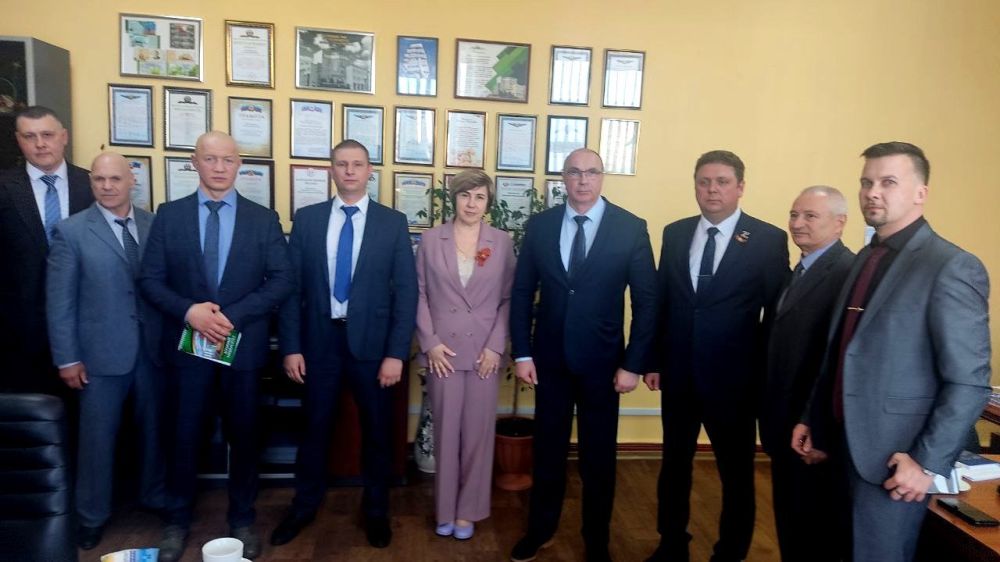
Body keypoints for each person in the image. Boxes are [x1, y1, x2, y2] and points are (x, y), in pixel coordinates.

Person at [792, 142, 991, 562]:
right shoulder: (866, 257)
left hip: (895, 462)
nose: (873, 193)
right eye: (866, 183)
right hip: (838, 450)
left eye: (888, 182)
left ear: (920, 192)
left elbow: (968, 381)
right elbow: (842, 351)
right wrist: (814, 418)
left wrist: (926, 463)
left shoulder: (950, 265)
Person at [138, 131, 293, 561]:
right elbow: (150, 279)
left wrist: (232, 316)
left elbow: (283, 279)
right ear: (194, 162)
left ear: (239, 163)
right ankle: (176, 521)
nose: (220, 167)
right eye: (210, 159)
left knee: (245, 437)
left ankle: (242, 519)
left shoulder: (263, 219)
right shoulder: (169, 216)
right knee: (184, 436)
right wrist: (190, 311)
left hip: (241, 350)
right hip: (188, 351)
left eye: (227, 159)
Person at [508, 148, 658, 562]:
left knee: (598, 458)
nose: (583, 180)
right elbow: (521, 292)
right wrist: (522, 352)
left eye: (591, 172)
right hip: (549, 362)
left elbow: (647, 302)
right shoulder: (541, 226)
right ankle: (540, 530)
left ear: (602, 176)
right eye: (574, 172)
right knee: (548, 452)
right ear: (563, 178)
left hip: (604, 366)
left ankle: (597, 540)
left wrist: (633, 363)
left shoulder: (630, 228)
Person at [270, 139, 418, 549]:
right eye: (342, 164)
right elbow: (292, 290)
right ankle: (303, 507)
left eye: (357, 164)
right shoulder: (309, 219)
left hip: (373, 346)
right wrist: (291, 347)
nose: (350, 171)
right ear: (331, 170)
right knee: (314, 429)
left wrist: (396, 354)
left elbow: (406, 292)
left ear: (370, 171)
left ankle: (376, 512)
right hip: (319, 343)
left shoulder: (392, 222)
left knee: (377, 434)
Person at [646, 150, 788, 562]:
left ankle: (731, 551)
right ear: (695, 186)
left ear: (740, 187)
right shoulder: (675, 233)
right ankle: (671, 543)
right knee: (674, 465)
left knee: (736, 472)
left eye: (722, 182)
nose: (712, 190)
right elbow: (663, 301)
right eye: (704, 181)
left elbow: (776, 315)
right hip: (679, 375)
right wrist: (654, 360)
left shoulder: (767, 239)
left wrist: (763, 375)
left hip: (735, 381)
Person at [45, 152, 165, 551]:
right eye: (99, 179)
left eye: (115, 179)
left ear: (132, 181)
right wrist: (67, 357)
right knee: (97, 440)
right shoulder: (71, 231)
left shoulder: (153, 224)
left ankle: (154, 496)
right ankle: (91, 515)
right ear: (91, 183)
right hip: (99, 356)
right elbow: (59, 301)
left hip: (153, 353)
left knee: (155, 432)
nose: (107, 186)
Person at [414, 170, 516, 540]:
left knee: (477, 435)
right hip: (443, 352)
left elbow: (509, 298)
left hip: (484, 354)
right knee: (446, 434)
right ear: (454, 198)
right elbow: (418, 293)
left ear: (488, 203)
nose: (472, 204)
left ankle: (468, 511)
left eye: (480, 197)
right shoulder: (430, 240)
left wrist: (495, 346)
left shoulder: (501, 242)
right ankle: (445, 509)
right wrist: (430, 342)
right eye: (465, 195)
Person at [759, 186, 854, 561]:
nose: (797, 223)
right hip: (783, 421)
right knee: (790, 520)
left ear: (840, 223)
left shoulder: (847, 273)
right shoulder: (796, 270)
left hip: (812, 427)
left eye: (810, 216)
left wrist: (818, 423)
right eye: (794, 214)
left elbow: (839, 360)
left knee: (813, 529)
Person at [0, 106, 93, 393]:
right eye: (30, 136)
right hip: (18, 336)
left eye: (47, 135)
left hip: (84, 331)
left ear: (64, 137)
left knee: (84, 417)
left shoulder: (93, 185)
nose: (40, 144)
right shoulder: (3, 187)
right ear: (19, 140)